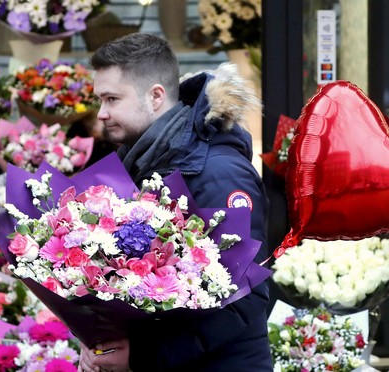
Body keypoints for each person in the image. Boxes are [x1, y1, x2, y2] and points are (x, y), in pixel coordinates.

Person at [78, 33, 272, 372]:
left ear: (155, 97)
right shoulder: (140, 162)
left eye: (111, 99)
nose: (102, 114)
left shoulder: (217, 172)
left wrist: (140, 355)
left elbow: (245, 300)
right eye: (100, 100)